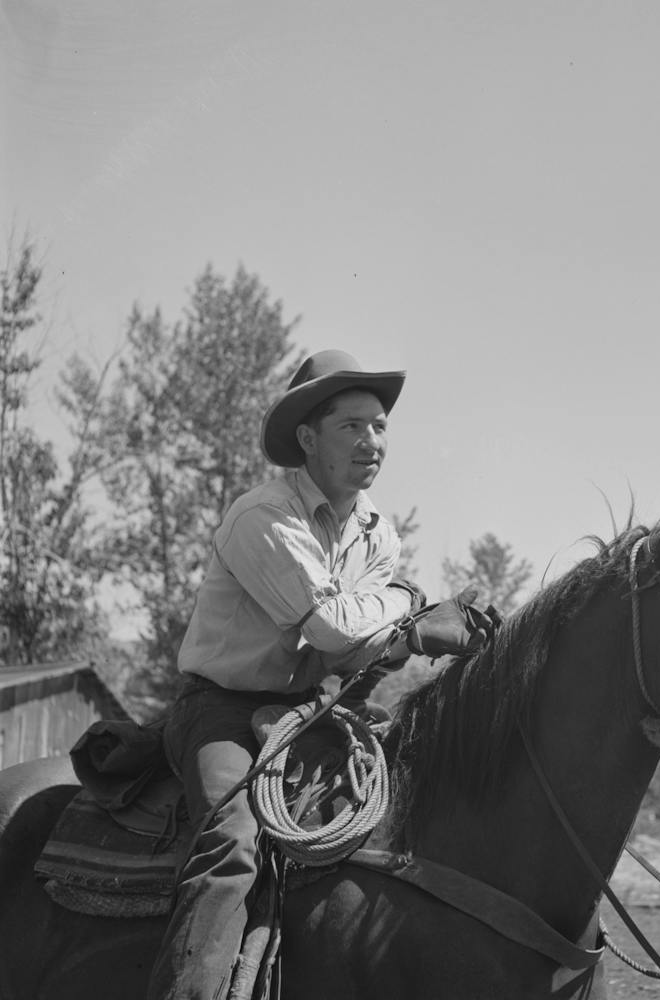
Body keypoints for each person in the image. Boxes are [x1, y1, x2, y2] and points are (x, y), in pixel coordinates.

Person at [146, 350, 491, 1000]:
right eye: (352, 427)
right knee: (232, 841)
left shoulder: (375, 534)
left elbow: (350, 651)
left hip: (308, 709)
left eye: (380, 426)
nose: (372, 442)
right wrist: (414, 609)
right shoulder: (263, 516)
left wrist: (403, 637)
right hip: (220, 710)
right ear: (308, 438)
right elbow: (333, 626)